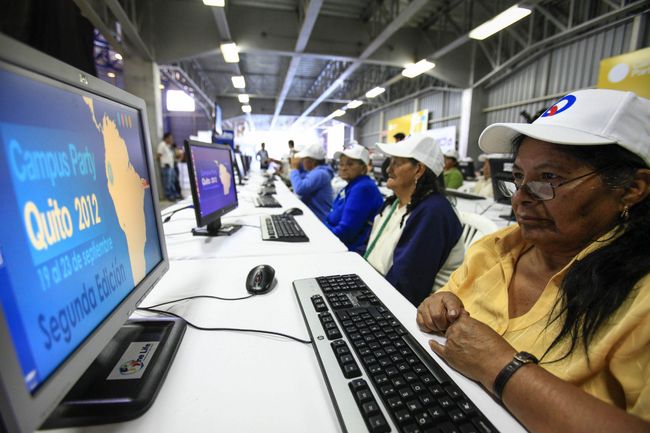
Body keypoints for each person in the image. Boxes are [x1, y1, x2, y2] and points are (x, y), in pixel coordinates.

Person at [417, 89, 650, 432]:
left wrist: (500, 366)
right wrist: (437, 304)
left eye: (549, 178)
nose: (520, 199)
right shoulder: (494, 248)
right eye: (518, 178)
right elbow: (443, 304)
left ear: (631, 189)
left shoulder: (640, 300)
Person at [365, 133, 464, 306]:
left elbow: (405, 286)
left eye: (396, 163)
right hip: (379, 288)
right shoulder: (395, 204)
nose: (388, 169)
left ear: (418, 170)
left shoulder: (433, 213)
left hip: (405, 307)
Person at [325, 144, 383, 254]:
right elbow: (331, 217)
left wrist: (322, 233)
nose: (343, 168)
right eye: (341, 164)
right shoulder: (352, 185)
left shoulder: (362, 188)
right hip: (340, 245)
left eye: (350, 164)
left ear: (363, 168)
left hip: (350, 252)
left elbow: (345, 232)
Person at [289, 143, 334, 221]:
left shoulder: (320, 173)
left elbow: (299, 189)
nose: (302, 162)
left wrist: (294, 168)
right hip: (313, 215)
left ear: (312, 161)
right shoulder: (315, 172)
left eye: (304, 159)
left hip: (319, 219)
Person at [157, 132, 180, 201]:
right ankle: (169, 195)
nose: (171, 139)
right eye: (170, 138)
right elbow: (158, 156)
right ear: (166, 138)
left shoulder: (168, 146)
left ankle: (174, 194)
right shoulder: (162, 145)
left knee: (172, 181)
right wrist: (163, 163)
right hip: (166, 167)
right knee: (167, 182)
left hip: (171, 167)